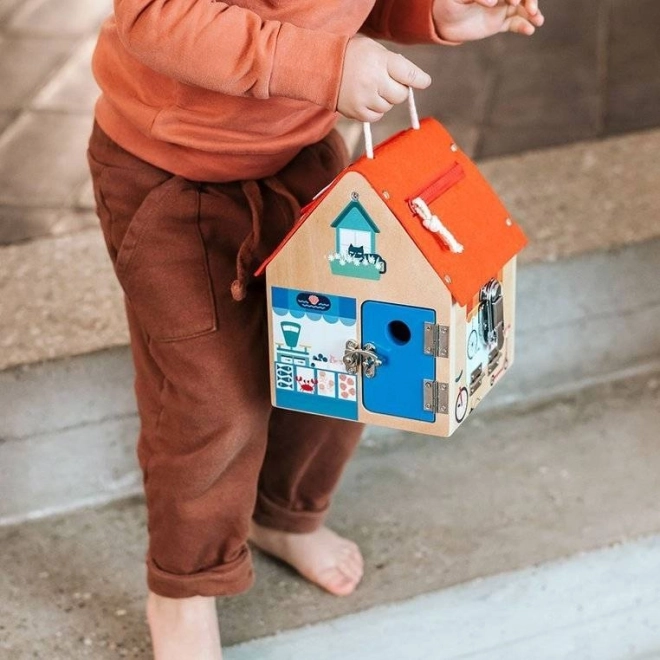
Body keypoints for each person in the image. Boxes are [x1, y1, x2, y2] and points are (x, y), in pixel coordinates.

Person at [86, 1, 544, 657]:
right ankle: (184, 586)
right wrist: (327, 65)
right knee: (212, 399)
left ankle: (284, 512)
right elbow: (155, 17)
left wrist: (427, 13)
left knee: (352, 355)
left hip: (299, 151)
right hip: (169, 171)